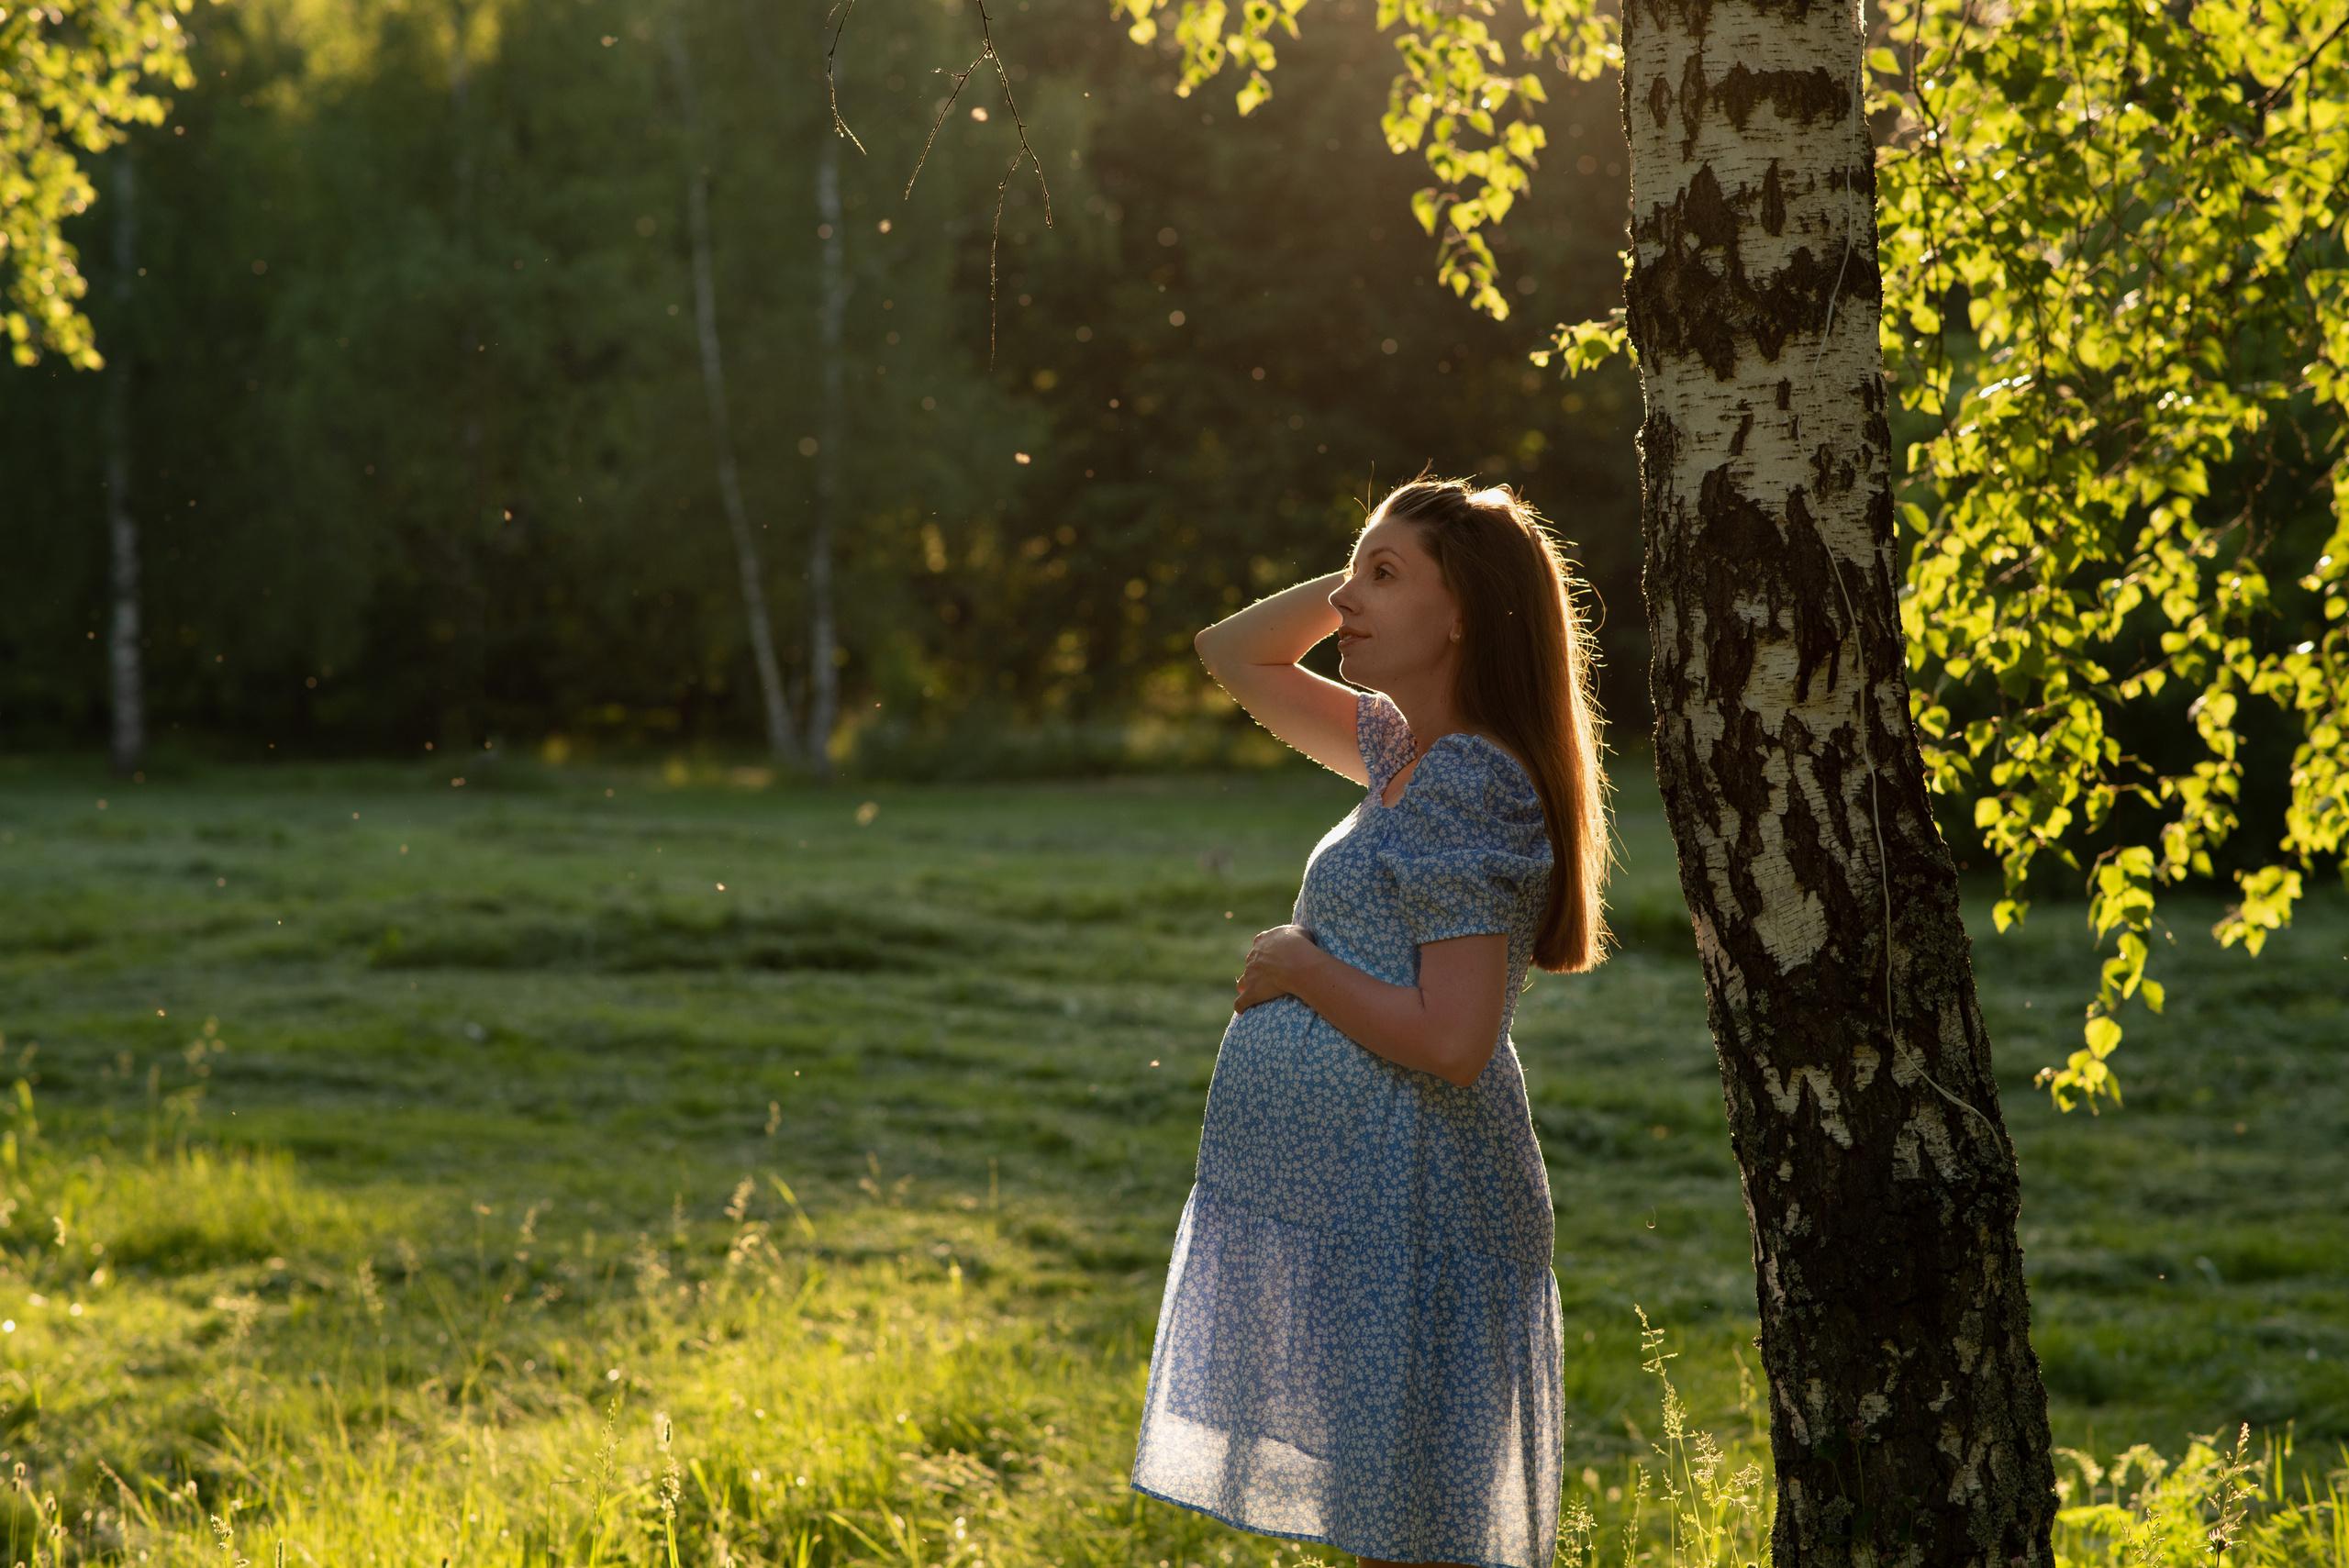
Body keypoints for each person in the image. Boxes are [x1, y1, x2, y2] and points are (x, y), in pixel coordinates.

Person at [1128, 476, 1609, 1568]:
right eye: (1350, 575)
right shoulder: (1406, 753)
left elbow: (1454, 1039)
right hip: (1372, 1208)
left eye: (1386, 579)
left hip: (1419, 1207)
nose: (1347, 601)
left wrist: (1300, 965)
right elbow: (1233, 652)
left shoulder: (1466, 782)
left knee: (1417, 1546)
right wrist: (1363, 576)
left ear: (1465, 613)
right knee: (1395, 1540)